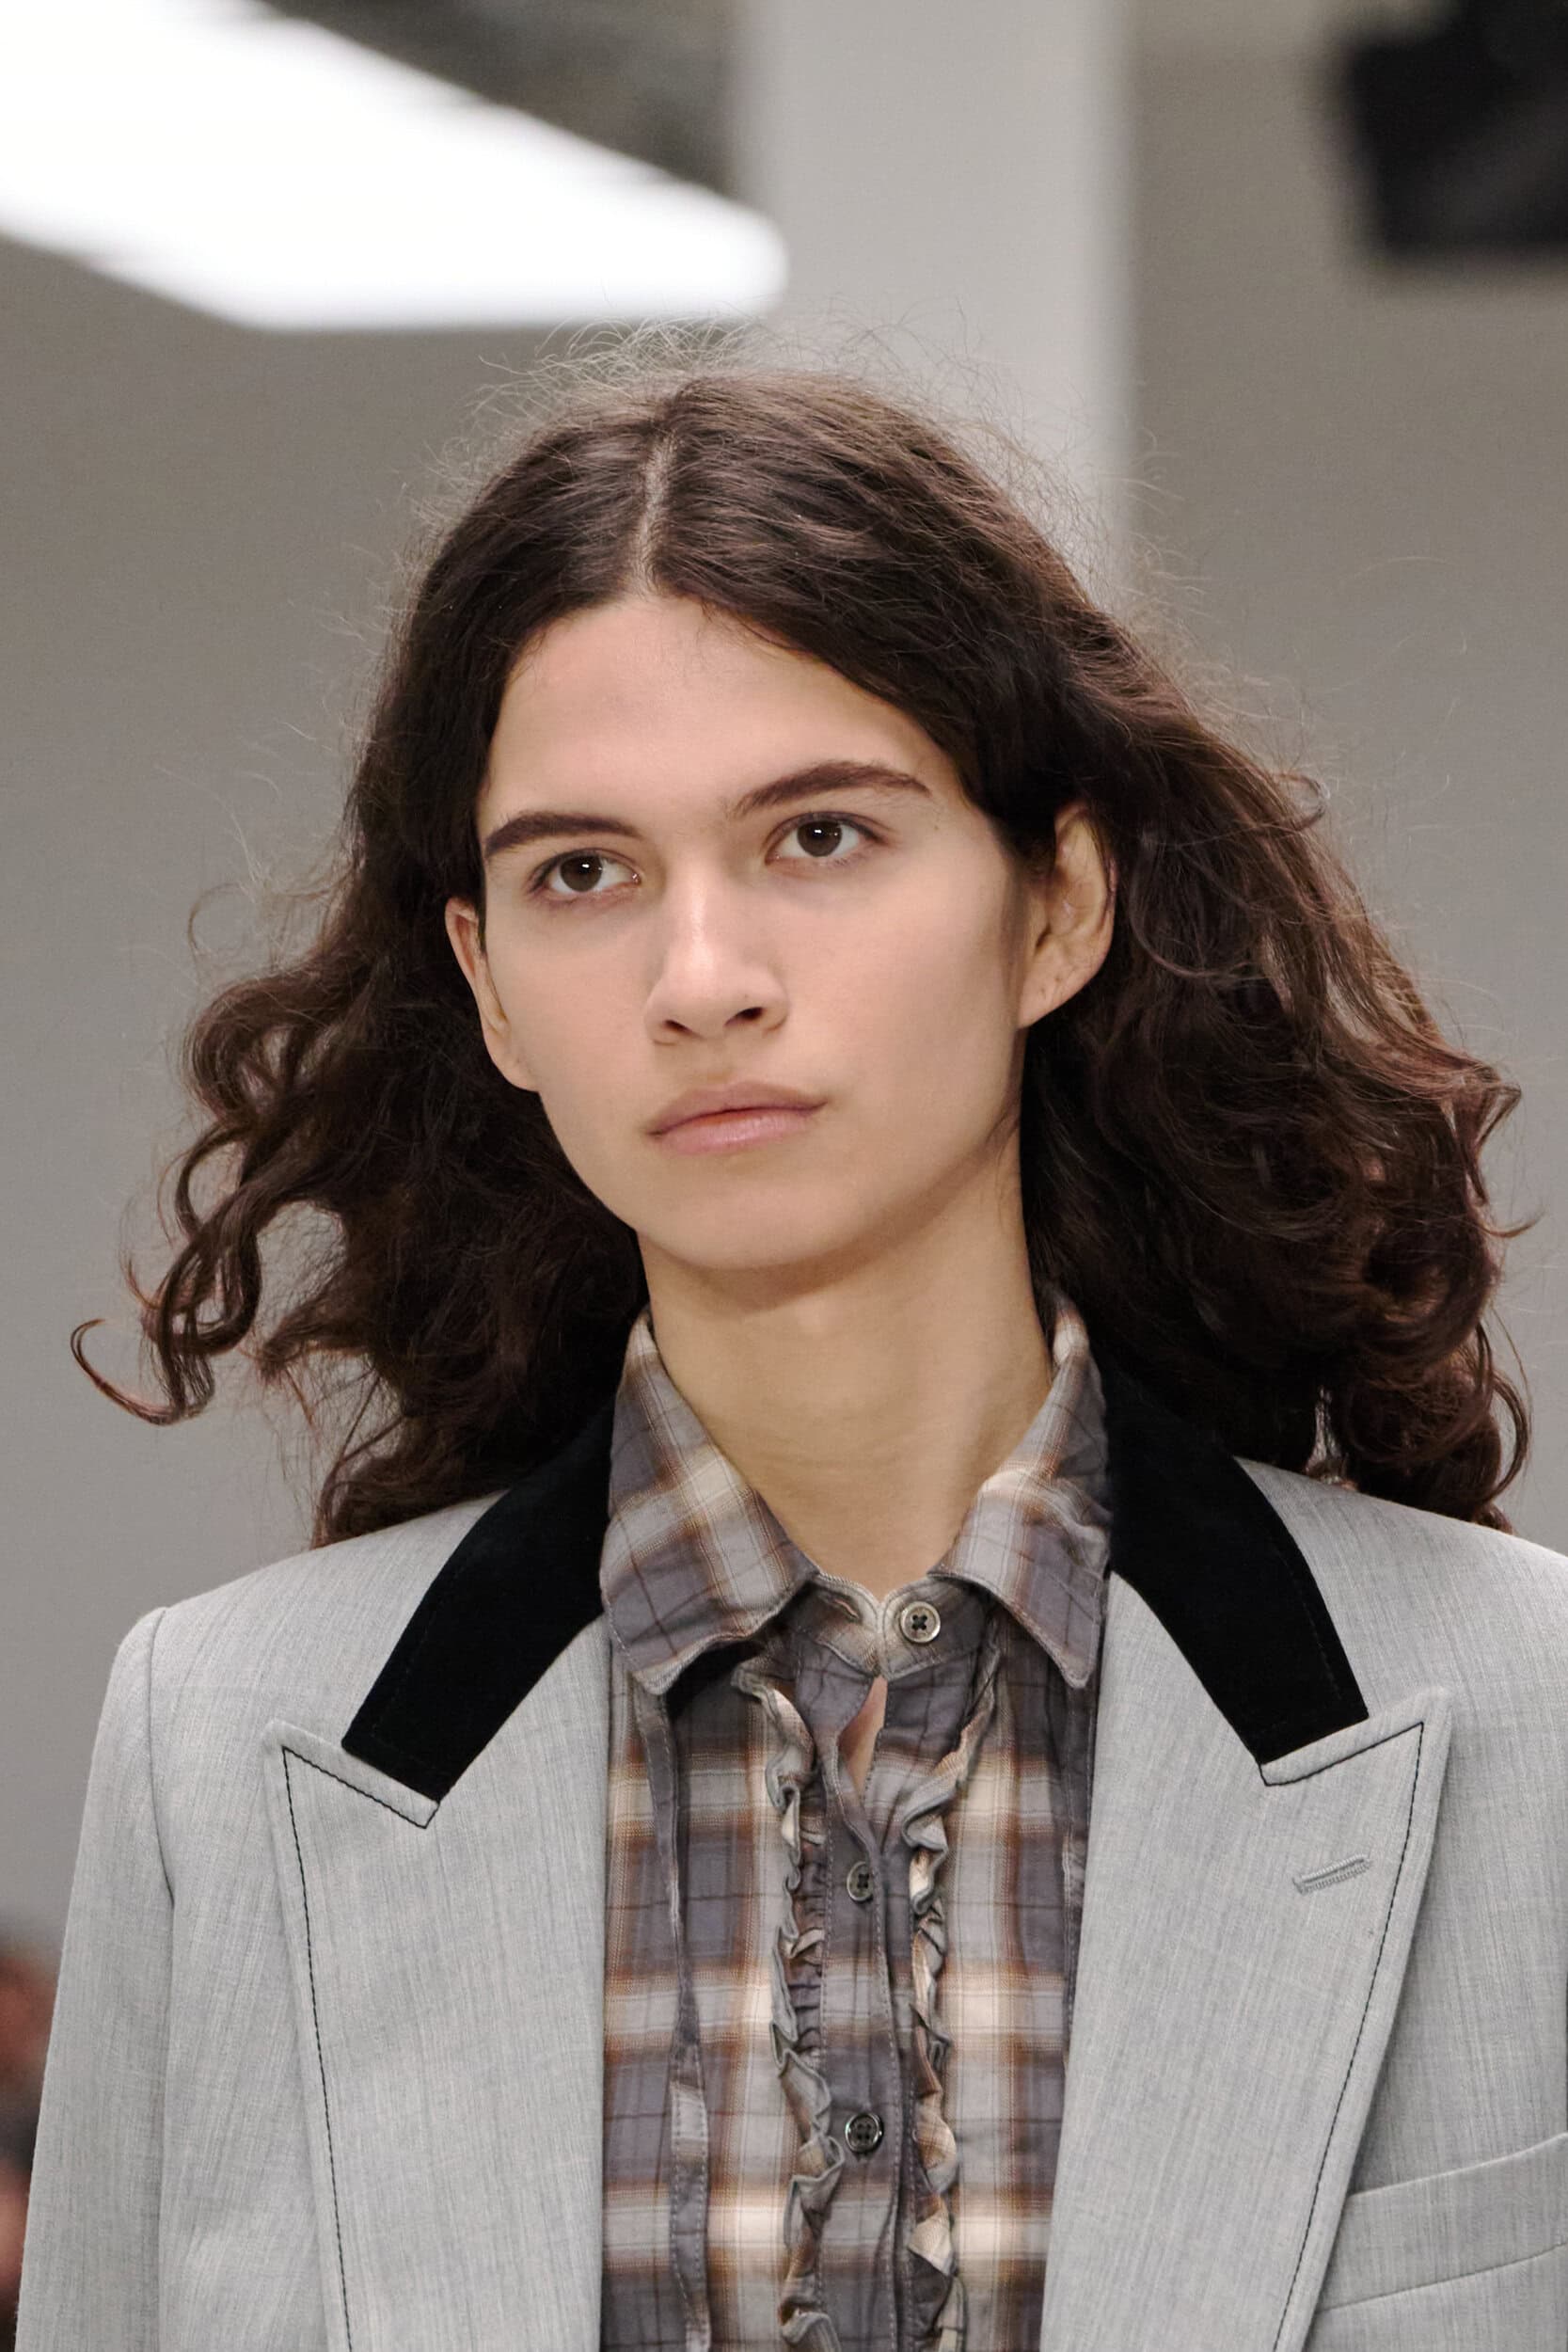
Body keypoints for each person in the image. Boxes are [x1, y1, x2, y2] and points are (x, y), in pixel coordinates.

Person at [16, 345, 1568, 2352]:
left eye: (820, 836)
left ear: (1057, 903)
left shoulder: (1529, 1717)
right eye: (583, 872)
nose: (702, 978)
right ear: (488, 983)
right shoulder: (218, 1749)